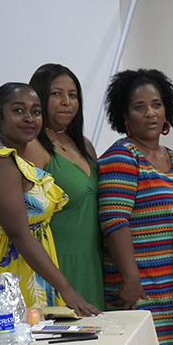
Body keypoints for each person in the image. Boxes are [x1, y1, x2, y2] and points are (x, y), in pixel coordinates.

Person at [97, 69, 173, 345]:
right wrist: (131, 281)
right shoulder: (122, 157)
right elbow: (114, 222)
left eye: (156, 104)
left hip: (172, 287)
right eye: (139, 107)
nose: (150, 113)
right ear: (124, 115)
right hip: (139, 289)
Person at [0, 83, 99, 316]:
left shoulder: (18, 159)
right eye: (18, 111)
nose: (29, 118)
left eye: (35, 112)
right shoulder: (3, 162)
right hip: (13, 277)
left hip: (32, 271)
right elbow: (19, 234)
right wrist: (67, 289)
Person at [24, 64, 104, 308]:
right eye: (57, 94)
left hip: (93, 262)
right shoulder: (32, 147)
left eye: (73, 95)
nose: (67, 102)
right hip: (57, 266)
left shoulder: (84, 144)